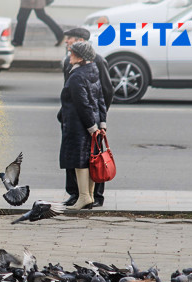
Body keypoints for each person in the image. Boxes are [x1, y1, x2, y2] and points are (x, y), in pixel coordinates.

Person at [60, 28, 114, 207]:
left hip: (82, 123)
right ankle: (83, 195)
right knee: (88, 158)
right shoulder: (87, 67)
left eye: (70, 39)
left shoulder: (91, 65)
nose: (67, 42)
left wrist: (94, 124)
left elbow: (100, 95)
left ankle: (90, 196)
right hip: (87, 121)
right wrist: (100, 121)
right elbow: (95, 97)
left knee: (83, 160)